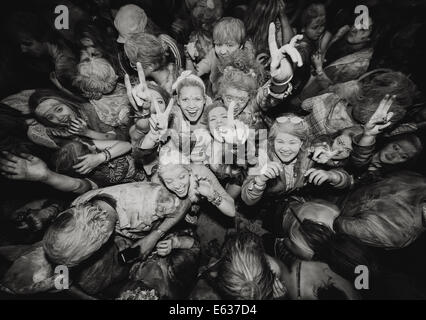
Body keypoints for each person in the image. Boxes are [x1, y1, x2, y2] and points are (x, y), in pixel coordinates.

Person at [241, 115, 353, 207]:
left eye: (292, 143)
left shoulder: (310, 154)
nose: (285, 148)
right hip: (264, 201)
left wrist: (331, 175)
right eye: (280, 141)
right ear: (272, 141)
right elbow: (247, 200)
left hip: (285, 198)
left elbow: (347, 181)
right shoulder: (261, 157)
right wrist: (260, 180)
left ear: (302, 143)